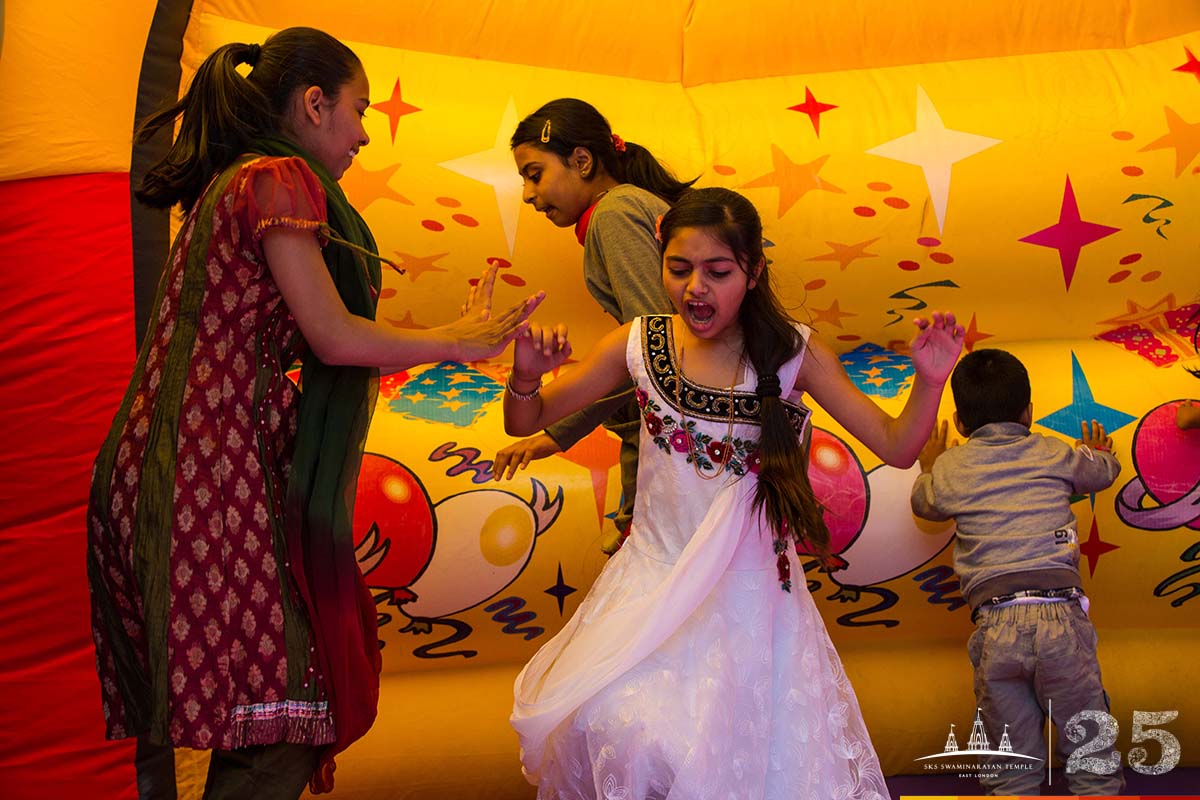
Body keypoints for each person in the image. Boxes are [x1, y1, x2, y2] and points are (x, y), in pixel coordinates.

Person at [87, 27, 541, 799]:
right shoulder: (279, 179)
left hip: (180, 470)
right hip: (208, 474)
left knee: (271, 713)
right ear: (314, 102)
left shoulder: (232, 180)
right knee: (284, 712)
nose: (365, 131)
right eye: (359, 110)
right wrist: (454, 344)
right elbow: (331, 337)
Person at [503, 186, 965, 798]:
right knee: (612, 721)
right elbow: (526, 421)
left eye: (718, 272)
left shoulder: (792, 353)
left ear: (752, 274)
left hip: (749, 602)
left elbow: (897, 445)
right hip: (651, 583)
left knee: (739, 766)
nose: (697, 287)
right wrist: (526, 379)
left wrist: (930, 382)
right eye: (679, 268)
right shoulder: (638, 344)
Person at [910, 349, 1124, 796]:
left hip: (996, 625)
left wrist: (930, 464)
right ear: (1029, 412)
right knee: (1090, 752)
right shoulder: (1053, 452)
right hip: (1060, 618)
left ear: (961, 423)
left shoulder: (951, 468)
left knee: (1011, 763)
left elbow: (924, 505)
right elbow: (1101, 473)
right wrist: (1101, 452)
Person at [493, 98, 695, 554]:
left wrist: (558, 430)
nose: (527, 194)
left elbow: (655, 352)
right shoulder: (625, 208)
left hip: (675, 451)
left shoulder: (615, 214)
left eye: (535, 174)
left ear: (582, 161)